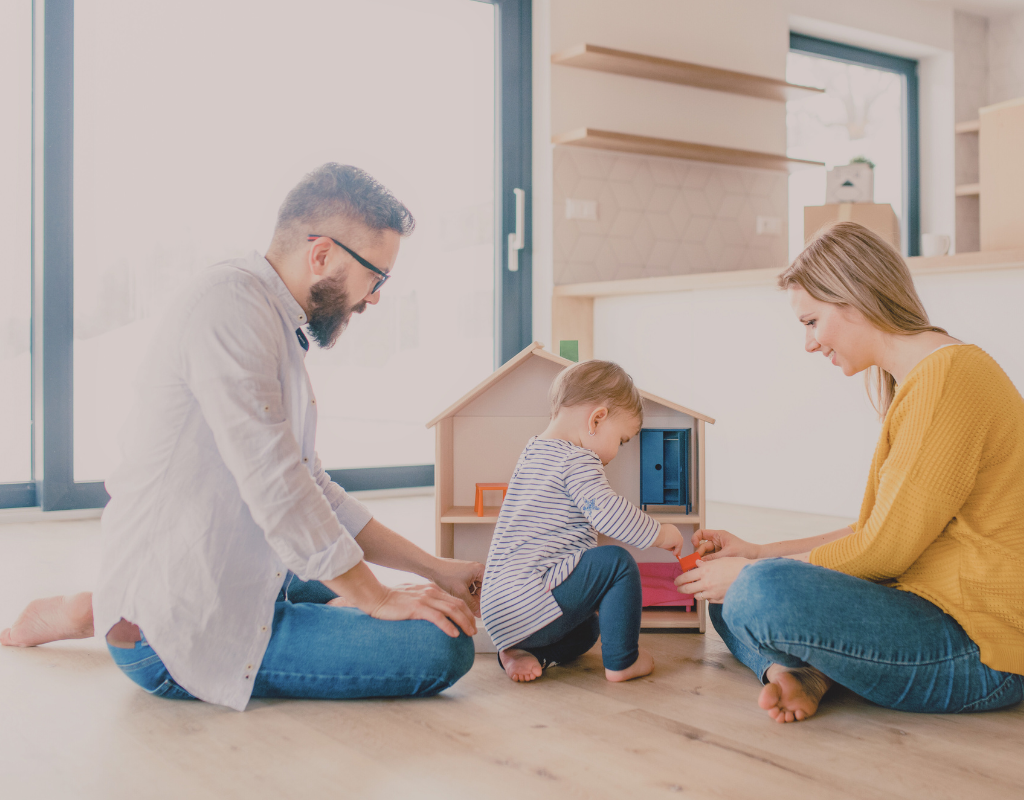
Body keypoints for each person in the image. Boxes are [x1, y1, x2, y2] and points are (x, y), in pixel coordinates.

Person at [1, 163, 483, 711]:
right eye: (377, 277)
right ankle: (120, 610)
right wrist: (375, 599)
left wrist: (437, 572)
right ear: (321, 254)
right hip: (170, 638)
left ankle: (100, 604)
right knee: (441, 648)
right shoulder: (229, 307)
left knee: (382, 583)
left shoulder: (272, 317)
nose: (374, 299)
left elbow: (313, 491)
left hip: (207, 568)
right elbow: (279, 489)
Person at [676, 221, 1024, 723]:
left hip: (984, 649)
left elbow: (884, 551)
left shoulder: (947, 379)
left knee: (755, 591)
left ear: (853, 299)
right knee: (725, 598)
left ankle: (805, 664)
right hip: (926, 606)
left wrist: (751, 572)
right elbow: (880, 529)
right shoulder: (924, 379)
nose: (810, 344)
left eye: (812, 321)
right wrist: (754, 552)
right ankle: (802, 674)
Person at [482, 360, 685, 683]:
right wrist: (658, 533)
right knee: (617, 563)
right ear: (597, 419)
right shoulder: (576, 460)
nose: (615, 452)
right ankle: (623, 661)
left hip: (502, 610)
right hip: (532, 599)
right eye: (620, 440)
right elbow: (606, 511)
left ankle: (523, 651)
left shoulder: (534, 451)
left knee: (588, 628)